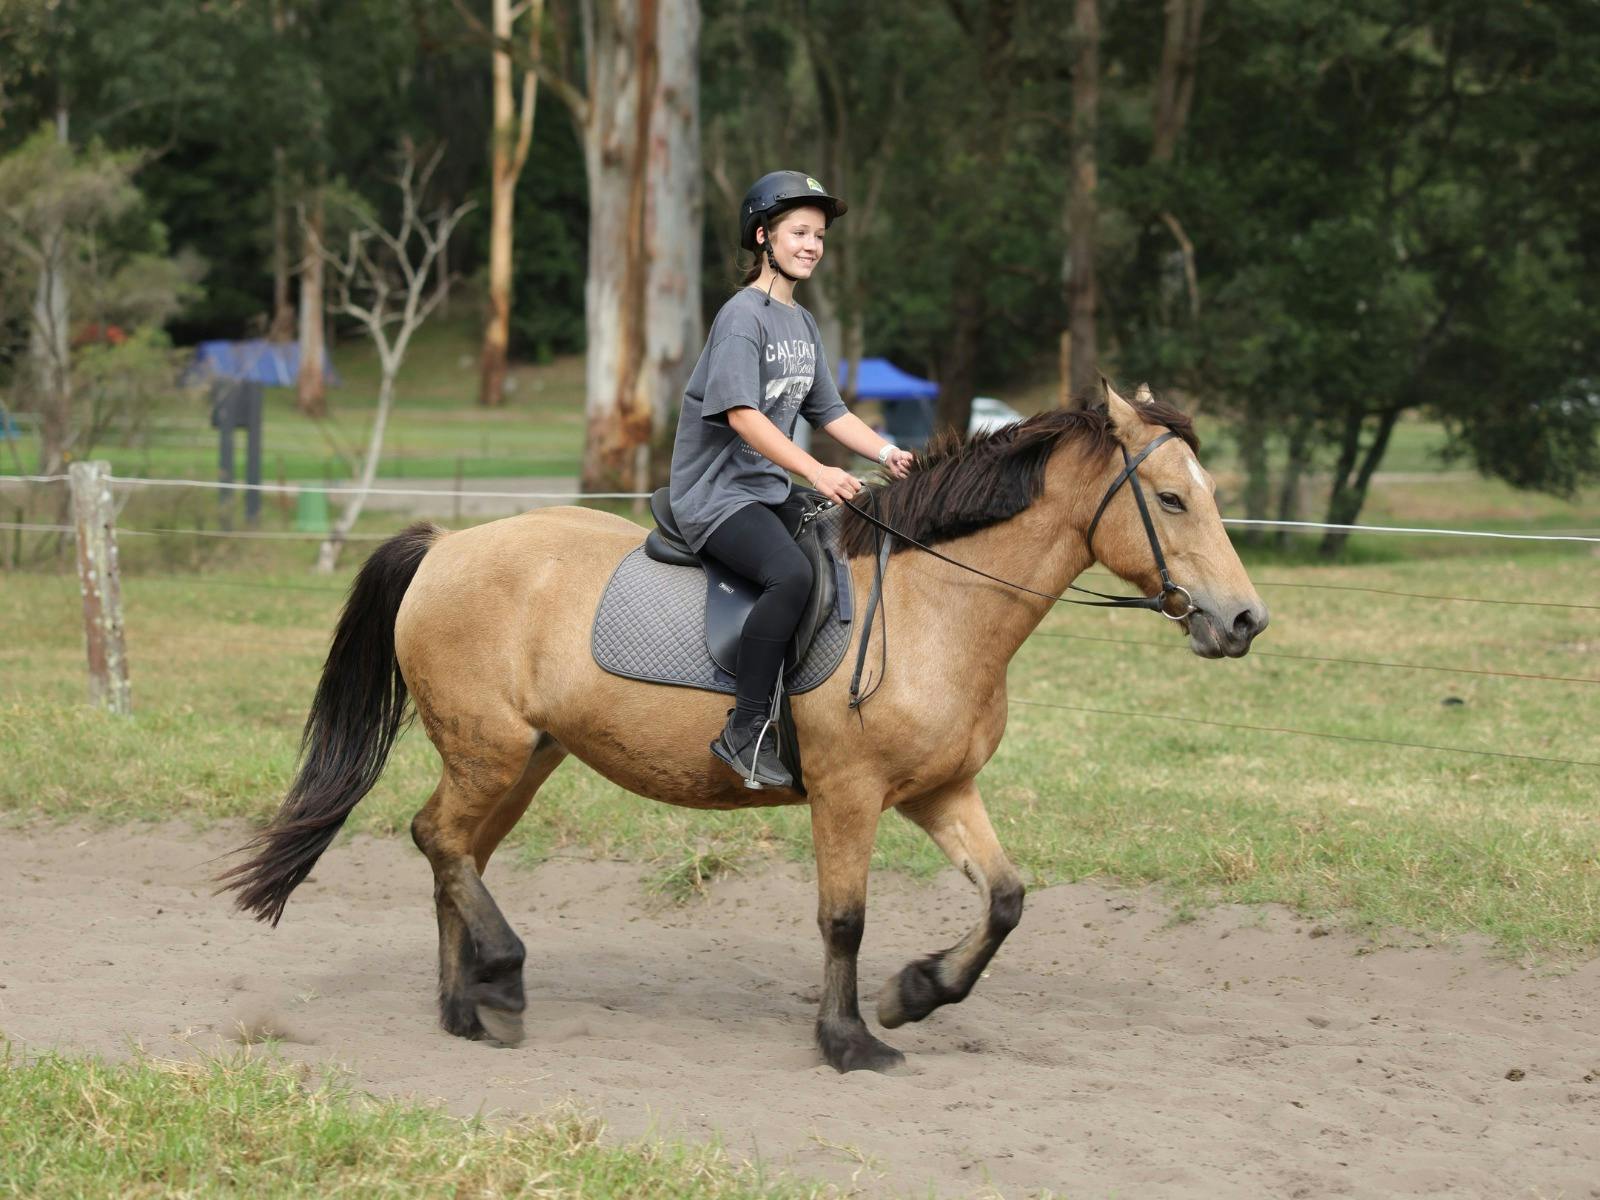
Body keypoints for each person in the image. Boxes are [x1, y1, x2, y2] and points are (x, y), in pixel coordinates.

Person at [669, 170, 914, 789]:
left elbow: (829, 412)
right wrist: (817, 469)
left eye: (820, 235)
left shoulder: (802, 326)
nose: (812, 245)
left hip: (768, 490)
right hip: (717, 496)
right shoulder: (741, 318)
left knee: (850, 540)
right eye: (799, 232)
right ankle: (746, 729)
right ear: (763, 237)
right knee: (792, 574)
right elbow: (742, 415)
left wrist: (887, 452)